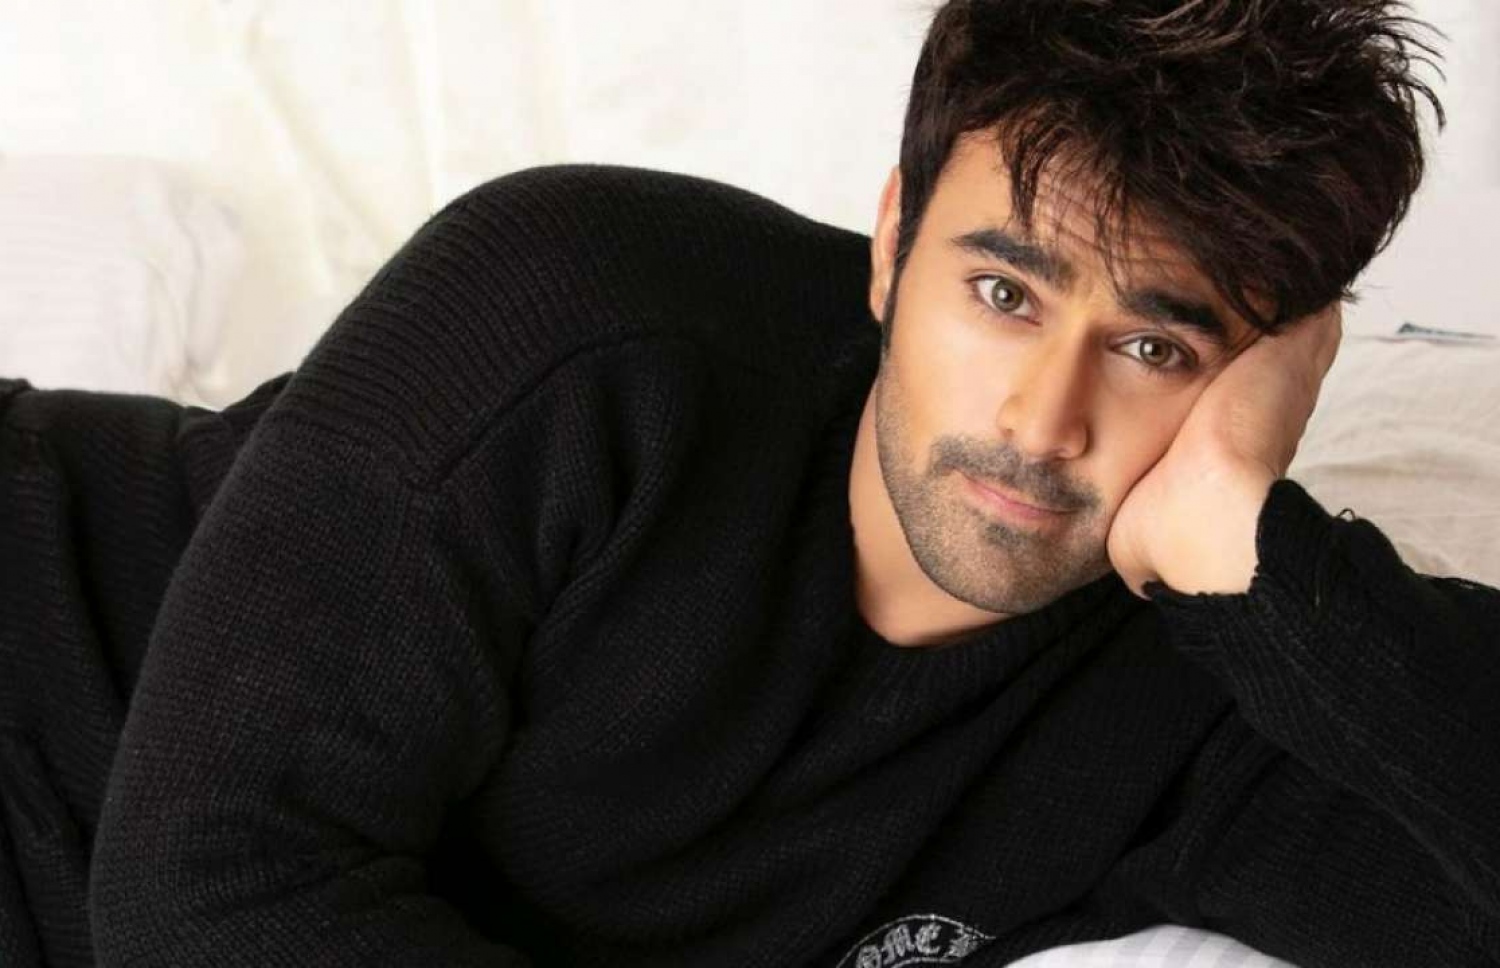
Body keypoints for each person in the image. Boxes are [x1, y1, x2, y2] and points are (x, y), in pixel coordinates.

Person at [2, 1, 1496, 965]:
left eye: (1156, 346)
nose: (1045, 423)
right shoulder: (575, 310)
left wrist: (1263, 553)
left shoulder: (1214, 697)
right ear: (893, 244)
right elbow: (209, 884)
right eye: (1003, 295)